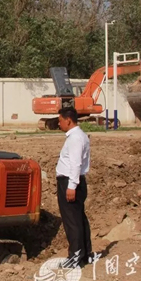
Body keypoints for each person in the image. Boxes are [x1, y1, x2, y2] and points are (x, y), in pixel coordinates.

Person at [56, 107, 92, 266]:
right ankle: (85, 254)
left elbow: (76, 163)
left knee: (72, 221)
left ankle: (75, 258)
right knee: (78, 219)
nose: (59, 123)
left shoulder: (75, 138)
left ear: (68, 120)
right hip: (74, 181)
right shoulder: (79, 136)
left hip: (70, 182)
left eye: (60, 120)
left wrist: (71, 186)